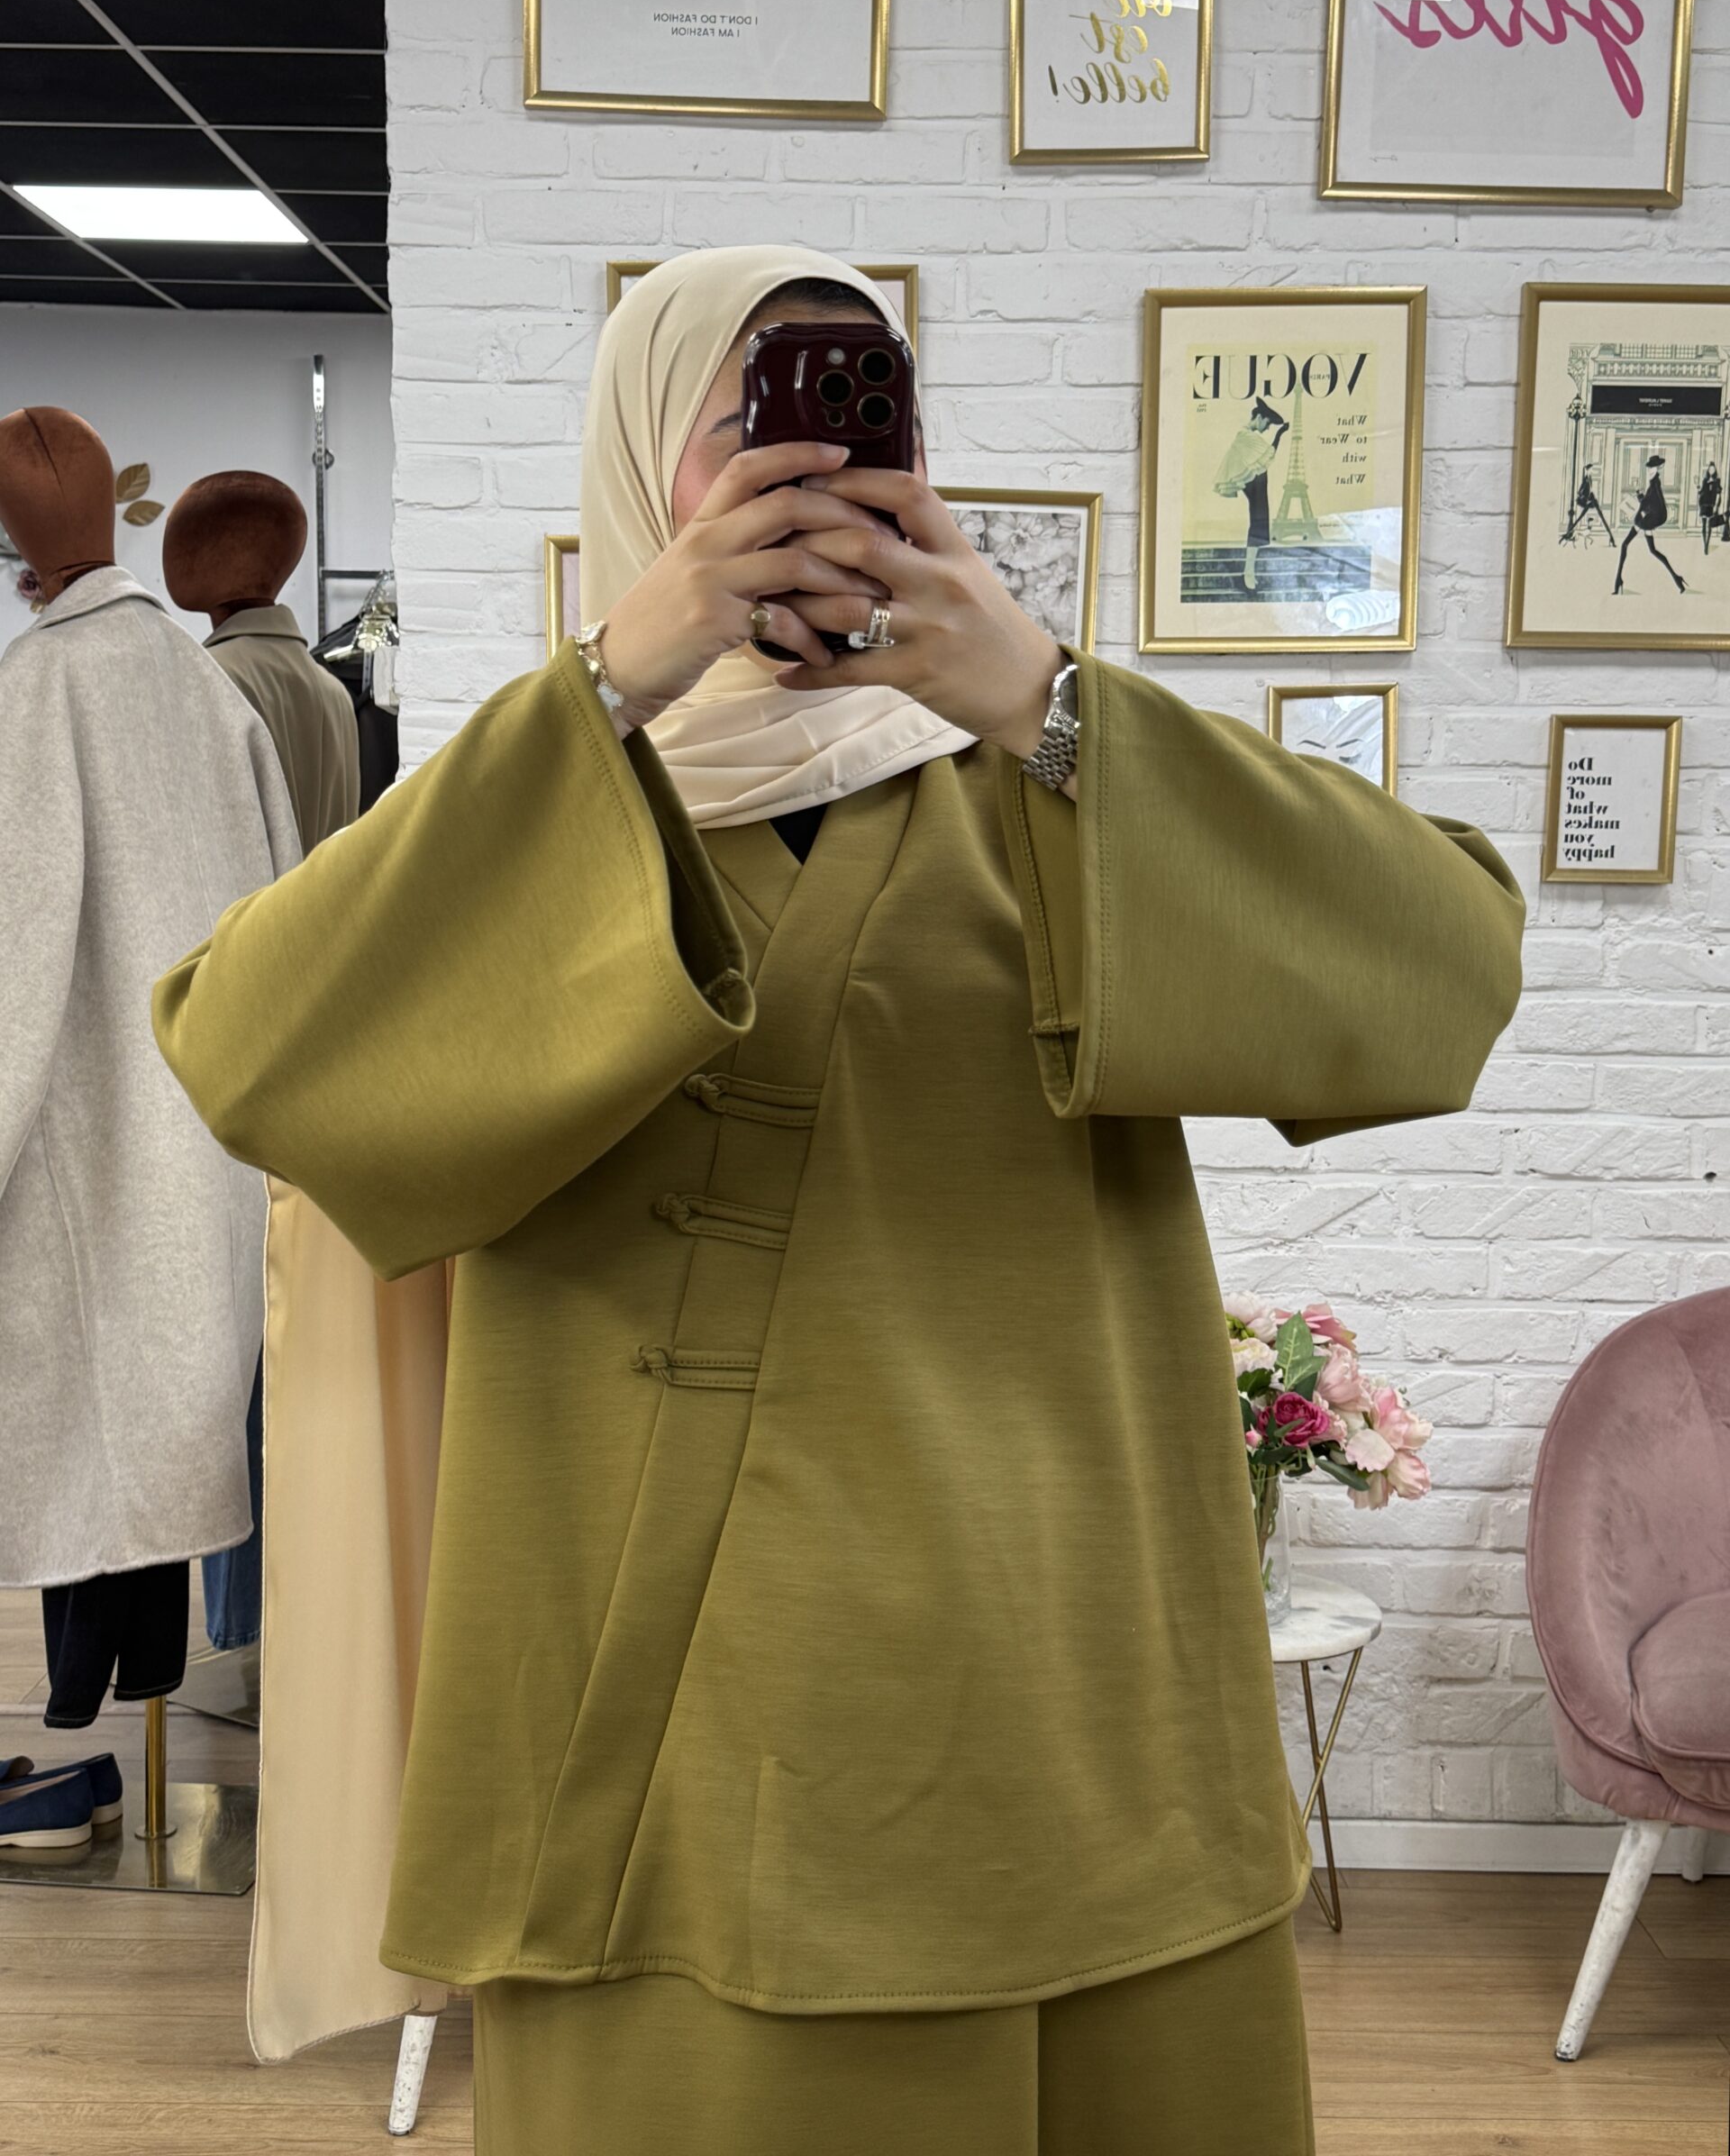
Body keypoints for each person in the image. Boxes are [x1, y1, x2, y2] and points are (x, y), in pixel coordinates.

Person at [152, 244, 1525, 2156]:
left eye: (873, 412)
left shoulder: (1044, 789)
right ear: (644, 462)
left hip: (1065, 1690)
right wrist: (616, 675)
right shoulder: (546, 802)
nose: (818, 466)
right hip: (670, 1735)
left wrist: (1041, 697)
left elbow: (1443, 974)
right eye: (754, 419)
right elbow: (257, 1057)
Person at [1212, 395, 1288, 592]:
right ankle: (1248, 573)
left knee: (1259, 522)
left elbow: (1263, 458)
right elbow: (1269, 453)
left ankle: (1249, 572)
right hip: (1255, 482)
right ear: (1259, 417)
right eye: (1267, 424)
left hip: (1257, 480)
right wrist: (1280, 434)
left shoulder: (1247, 436)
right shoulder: (1246, 436)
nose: (1267, 428)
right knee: (1258, 522)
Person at [1614, 453, 1686, 595]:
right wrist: (1640, 496)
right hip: (1649, 519)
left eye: (1652, 468)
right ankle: (1677, 578)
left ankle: (1618, 580)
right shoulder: (1653, 483)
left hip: (1649, 520)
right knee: (1652, 551)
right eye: (1649, 468)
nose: (1650, 470)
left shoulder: (1655, 484)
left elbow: (1655, 505)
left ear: (1658, 468)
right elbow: (1649, 503)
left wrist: (1640, 504)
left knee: (1624, 544)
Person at [1698, 460, 1722, 556]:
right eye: (1710, 469)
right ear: (1708, 470)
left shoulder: (1717, 481)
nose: (1711, 470)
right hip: (1703, 504)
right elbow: (1701, 492)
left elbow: (1719, 494)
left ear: (1715, 470)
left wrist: (1717, 506)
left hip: (1711, 506)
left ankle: (1707, 545)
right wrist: (1698, 488)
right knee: (1704, 526)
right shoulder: (1705, 480)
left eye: (1713, 469)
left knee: (1709, 526)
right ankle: (1705, 545)